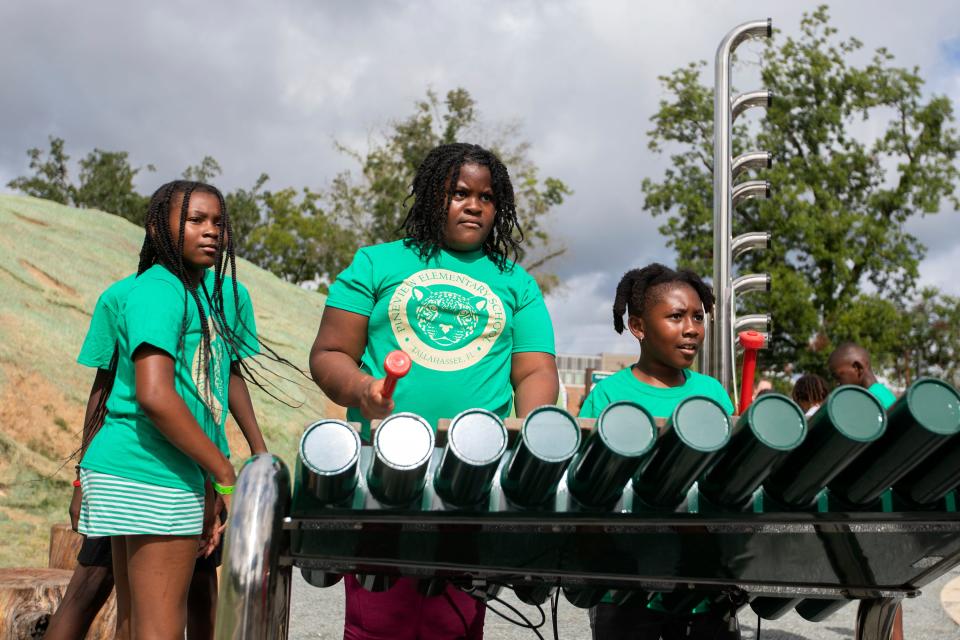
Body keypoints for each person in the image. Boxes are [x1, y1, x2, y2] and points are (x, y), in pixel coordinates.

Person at [310, 142, 559, 640]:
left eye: (486, 197)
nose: (474, 205)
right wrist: (363, 389)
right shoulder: (376, 263)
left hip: (473, 473)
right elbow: (328, 354)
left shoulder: (516, 283)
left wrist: (535, 447)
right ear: (430, 197)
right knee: (377, 622)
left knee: (456, 623)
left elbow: (534, 372)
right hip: (382, 469)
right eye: (459, 193)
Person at [77, 180, 264, 639]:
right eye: (196, 220)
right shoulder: (158, 291)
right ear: (159, 227)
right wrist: (223, 473)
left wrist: (251, 452)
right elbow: (155, 395)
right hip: (148, 470)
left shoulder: (215, 293)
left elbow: (221, 376)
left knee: (136, 624)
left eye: (218, 222)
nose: (211, 232)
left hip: (162, 467)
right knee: (158, 629)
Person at [579, 263, 738, 640]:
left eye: (698, 317)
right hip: (626, 592)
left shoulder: (713, 394)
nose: (692, 329)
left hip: (706, 591)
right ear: (638, 326)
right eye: (676, 316)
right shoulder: (607, 396)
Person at [827, 341, 904, 640]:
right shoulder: (882, 398)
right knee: (879, 592)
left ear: (858, 369)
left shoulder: (876, 403)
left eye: (838, 376)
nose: (836, 384)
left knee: (883, 592)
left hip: (881, 509)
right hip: (879, 507)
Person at [827, 342, 897, 409]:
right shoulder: (881, 392)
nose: (837, 383)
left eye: (838, 377)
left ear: (857, 368)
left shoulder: (872, 401)